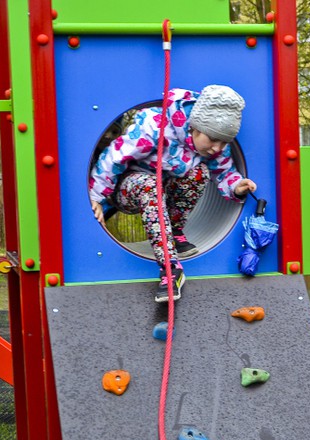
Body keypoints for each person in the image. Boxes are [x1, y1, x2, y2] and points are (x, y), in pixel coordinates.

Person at [89, 85, 256, 303]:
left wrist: (236, 186)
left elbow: (224, 171)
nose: (217, 147)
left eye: (223, 142)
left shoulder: (212, 147)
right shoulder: (154, 127)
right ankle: (171, 269)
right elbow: (114, 158)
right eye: (213, 139)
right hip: (126, 188)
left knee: (199, 172)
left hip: (162, 192)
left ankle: (175, 231)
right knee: (148, 184)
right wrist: (97, 196)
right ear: (195, 127)